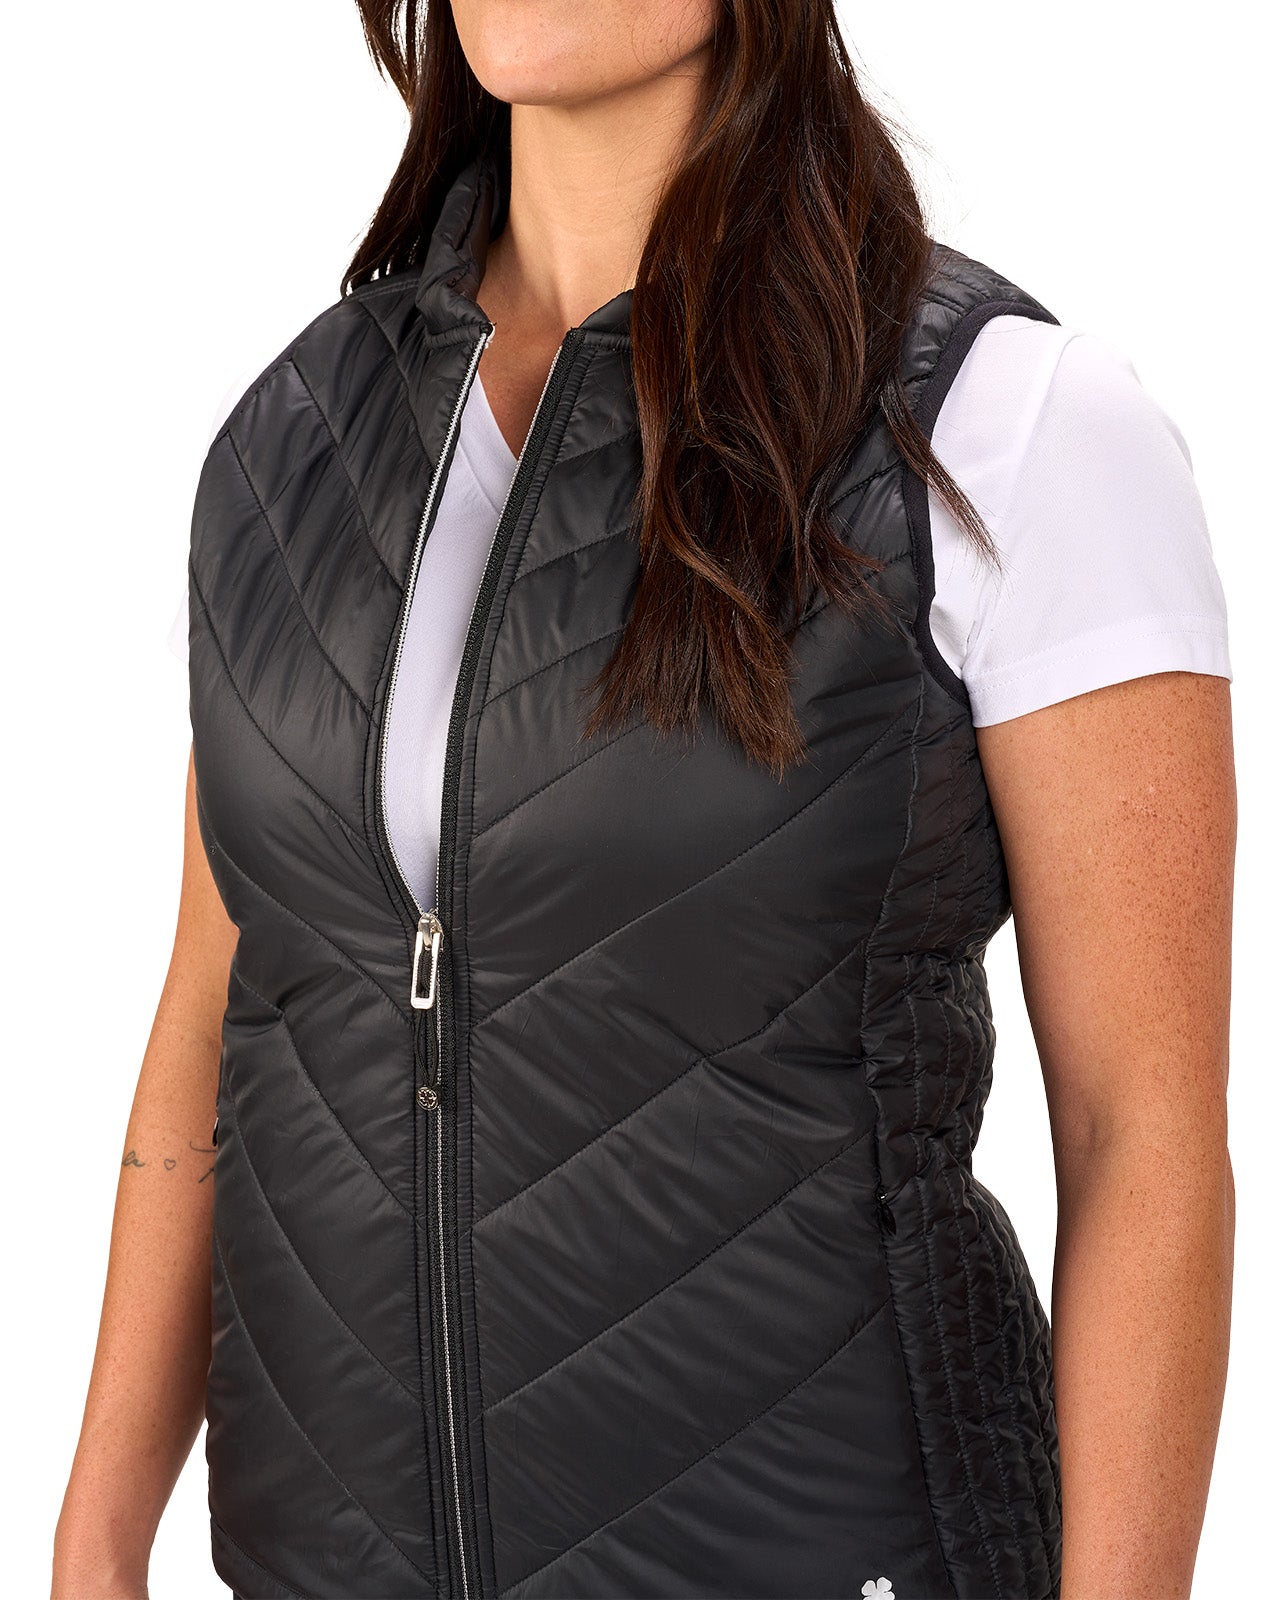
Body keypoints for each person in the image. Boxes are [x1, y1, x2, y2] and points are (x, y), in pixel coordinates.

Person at [52, 3, 1236, 1598]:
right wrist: (94, 1542)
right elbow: (217, 1013)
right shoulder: (293, 450)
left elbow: (1139, 1136)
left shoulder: (1000, 426)